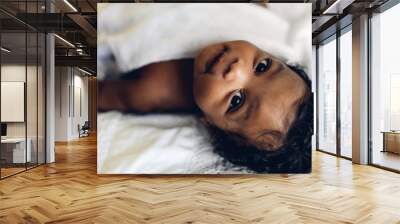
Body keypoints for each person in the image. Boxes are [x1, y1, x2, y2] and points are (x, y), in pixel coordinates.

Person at [99, 40, 313, 173]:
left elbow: (97, 95)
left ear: (211, 125)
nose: (236, 69)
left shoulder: (147, 91)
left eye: (236, 100)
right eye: (262, 66)